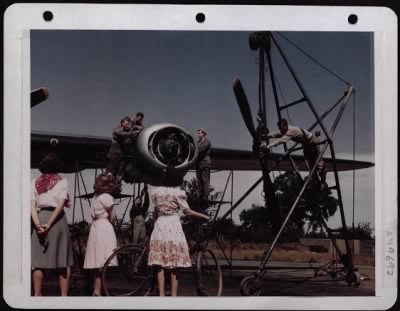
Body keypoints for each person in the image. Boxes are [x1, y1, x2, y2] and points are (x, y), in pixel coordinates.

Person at [147, 176, 209, 296]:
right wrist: (203, 216)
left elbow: (155, 212)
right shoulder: (177, 193)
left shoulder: (157, 192)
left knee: (160, 262)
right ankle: (174, 296)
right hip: (172, 225)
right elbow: (187, 211)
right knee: (174, 263)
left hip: (160, 225)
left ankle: (161, 295)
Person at [31, 153, 74, 296]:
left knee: (38, 262)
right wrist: (49, 225)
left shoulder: (34, 182)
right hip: (57, 221)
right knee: (63, 261)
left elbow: (32, 206)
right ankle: (63, 297)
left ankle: (37, 296)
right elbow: (61, 205)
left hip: (40, 216)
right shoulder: (62, 181)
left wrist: (38, 224)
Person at [264, 118, 327, 189]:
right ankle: (316, 182)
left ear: (286, 125)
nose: (281, 130)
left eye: (282, 128)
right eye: (280, 128)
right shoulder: (285, 130)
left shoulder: (291, 131)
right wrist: (267, 136)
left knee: (318, 163)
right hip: (306, 144)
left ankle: (323, 182)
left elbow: (281, 140)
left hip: (312, 141)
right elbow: (277, 134)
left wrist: (268, 146)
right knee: (311, 166)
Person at [83, 173, 118, 296]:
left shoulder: (96, 197)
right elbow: (112, 216)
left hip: (95, 227)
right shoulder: (107, 197)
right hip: (104, 227)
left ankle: (97, 288)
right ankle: (98, 290)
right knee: (103, 259)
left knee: (97, 259)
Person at [106, 116, 142, 188]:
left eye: (129, 123)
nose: (128, 125)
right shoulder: (118, 129)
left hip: (122, 155)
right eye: (126, 123)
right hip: (115, 154)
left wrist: (140, 129)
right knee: (111, 170)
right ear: (122, 123)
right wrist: (136, 131)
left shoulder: (128, 130)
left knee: (120, 171)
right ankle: (106, 184)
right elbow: (122, 134)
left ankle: (117, 185)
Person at [196, 128, 212, 201]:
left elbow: (201, 148)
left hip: (205, 163)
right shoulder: (198, 142)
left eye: (199, 133)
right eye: (198, 133)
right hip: (199, 164)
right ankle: (200, 194)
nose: (198, 134)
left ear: (203, 134)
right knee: (199, 180)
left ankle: (205, 196)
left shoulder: (207, 142)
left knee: (205, 180)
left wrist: (193, 147)